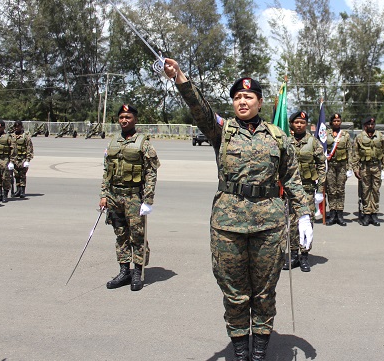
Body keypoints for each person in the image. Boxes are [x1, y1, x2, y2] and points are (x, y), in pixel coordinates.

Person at [163, 58, 312, 361]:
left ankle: (259, 351)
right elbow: (199, 108)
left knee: (264, 292)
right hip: (228, 225)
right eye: (237, 97)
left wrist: (305, 214)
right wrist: (179, 77)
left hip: (269, 225)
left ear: (259, 102)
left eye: (248, 96)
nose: (242, 101)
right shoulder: (223, 131)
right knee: (234, 293)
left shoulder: (277, 136)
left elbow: (292, 177)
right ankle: (240, 351)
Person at [99, 104, 160, 292]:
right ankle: (124, 270)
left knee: (137, 235)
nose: (124, 120)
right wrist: (103, 195)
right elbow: (106, 170)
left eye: (128, 117)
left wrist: (148, 200)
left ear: (135, 119)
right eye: (121, 117)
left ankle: (137, 271)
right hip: (114, 196)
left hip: (134, 196)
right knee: (120, 235)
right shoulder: (113, 141)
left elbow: (151, 172)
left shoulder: (143, 143)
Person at [284, 110, 326, 272]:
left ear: (306, 124)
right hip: (290, 190)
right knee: (292, 222)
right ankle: (293, 254)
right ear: (292, 124)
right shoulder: (287, 142)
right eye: (296, 122)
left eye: (302, 122)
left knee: (306, 221)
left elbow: (322, 165)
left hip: (307, 189)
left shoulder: (313, 142)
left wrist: (320, 189)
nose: (299, 125)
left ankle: (304, 255)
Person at [351, 116, 384, 226]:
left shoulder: (380, 137)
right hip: (364, 168)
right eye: (368, 124)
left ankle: (374, 213)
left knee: (375, 191)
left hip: (377, 167)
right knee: (365, 191)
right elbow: (355, 154)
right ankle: (367, 213)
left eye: (372, 124)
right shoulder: (359, 137)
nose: (371, 126)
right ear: (365, 126)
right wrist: (355, 169)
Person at [324, 113, 353, 226]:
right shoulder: (325, 134)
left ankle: (339, 214)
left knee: (340, 190)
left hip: (342, 166)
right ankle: (332, 213)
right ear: (331, 122)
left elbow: (349, 151)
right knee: (331, 190)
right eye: (334, 121)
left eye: (338, 120)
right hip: (330, 166)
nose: (336, 122)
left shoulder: (345, 135)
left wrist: (349, 168)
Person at [11, 120, 34, 198]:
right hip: (14, 159)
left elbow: (29, 148)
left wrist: (28, 160)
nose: (17, 128)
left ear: (21, 127)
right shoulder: (12, 136)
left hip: (23, 158)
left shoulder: (25, 136)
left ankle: (22, 191)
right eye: (16, 126)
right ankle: (18, 190)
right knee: (16, 175)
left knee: (22, 175)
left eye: (18, 126)